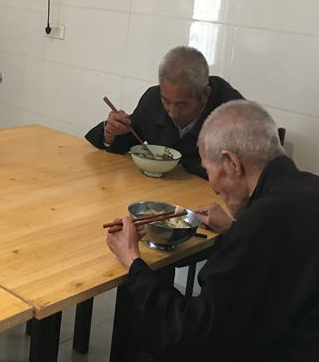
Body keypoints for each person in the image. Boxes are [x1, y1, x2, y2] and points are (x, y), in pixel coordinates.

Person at [106, 100, 319, 361]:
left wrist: (132, 260)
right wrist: (233, 230)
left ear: (231, 163)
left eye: (207, 169)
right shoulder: (306, 191)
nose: (212, 185)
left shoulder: (263, 221)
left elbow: (190, 335)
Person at [85, 46, 243, 179]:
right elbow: (127, 140)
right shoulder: (153, 100)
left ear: (205, 95)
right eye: (166, 101)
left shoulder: (234, 113)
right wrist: (110, 131)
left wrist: (187, 164)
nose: (172, 113)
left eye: (182, 105)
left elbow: (243, 175)